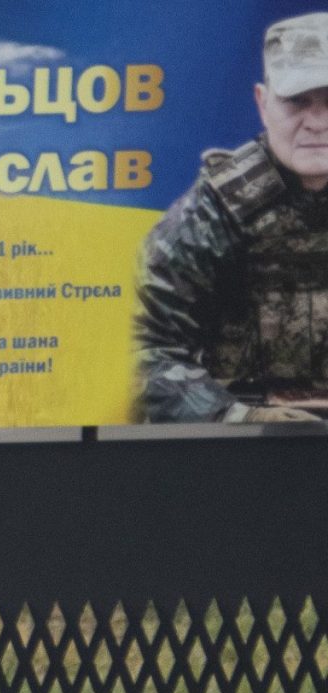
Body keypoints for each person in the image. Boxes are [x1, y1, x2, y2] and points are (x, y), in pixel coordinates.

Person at [138, 13, 328, 423]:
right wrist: (235, 418)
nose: (317, 122)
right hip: (245, 453)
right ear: (262, 103)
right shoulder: (216, 208)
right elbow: (145, 347)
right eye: (296, 101)